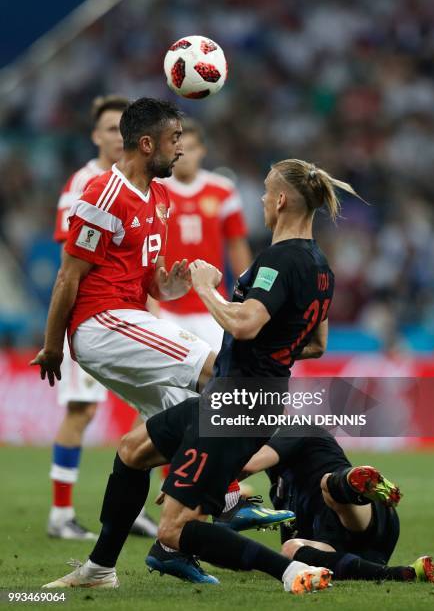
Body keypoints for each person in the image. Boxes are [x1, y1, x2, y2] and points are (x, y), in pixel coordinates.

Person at [42, 158, 357, 595]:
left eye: (267, 192)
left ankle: (289, 571)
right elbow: (316, 343)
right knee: (133, 450)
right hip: (247, 399)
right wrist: (271, 354)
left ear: (282, 201)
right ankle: (100, 568)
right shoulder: (321, 267)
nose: (262, 199)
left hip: (237, 405)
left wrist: (205, 287)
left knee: (172, 531)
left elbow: (245, 324)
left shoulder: (279, 261)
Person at [32, 97, 291, 585]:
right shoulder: (103, 194)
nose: (181, 150)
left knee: (143, 445)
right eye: (175, 140)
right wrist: (52, 346)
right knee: (221, 373)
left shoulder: (158, 197)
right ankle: (230, 496)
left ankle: (99, 567)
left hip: (127, 317)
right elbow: (69, 277)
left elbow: (152, 283)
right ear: (147, 143)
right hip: (101, 324)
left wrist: (174, 283)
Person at [49, 94, 158, 540]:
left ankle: (131, 506)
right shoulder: (85, 183)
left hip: (128, 311)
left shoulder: (139, 183)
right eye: (110, 129)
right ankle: (60, 514)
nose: (117, 137)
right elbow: (69, 255)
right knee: (82, 408)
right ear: (96, 135)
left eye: (122, 129)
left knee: (149, 405)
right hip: (93, 313)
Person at [241, 431, 434, 583]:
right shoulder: (279, 488)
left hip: (363, 515)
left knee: (328, 483)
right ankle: (402, 574)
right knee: (291, 549)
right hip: (347, 546)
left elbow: (247, 466)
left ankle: (359, 483)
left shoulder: (297, 428)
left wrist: (216, 476)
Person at [159, 119, 252, 352]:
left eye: (190, 148)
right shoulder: (156, 190)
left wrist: (247, 295)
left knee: (219, 379)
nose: (185, 156)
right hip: (167, 308)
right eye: (178, 149)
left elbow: (237, 245)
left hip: (212, 305)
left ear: (202, 151)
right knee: (171, 385)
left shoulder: (222, 190)